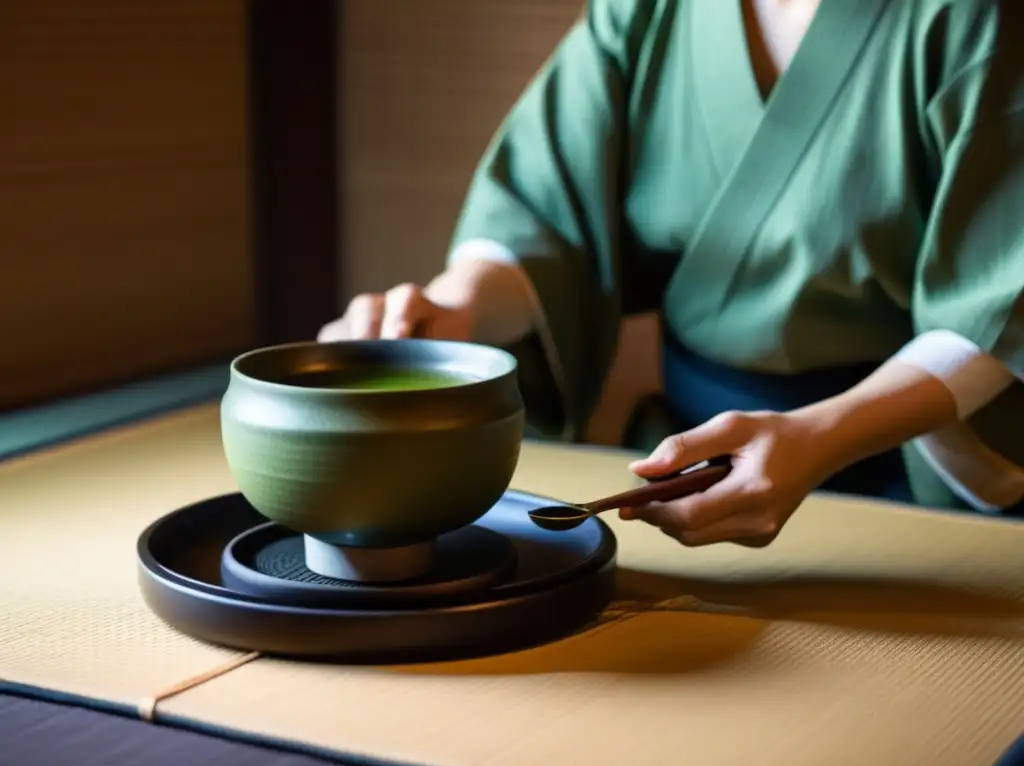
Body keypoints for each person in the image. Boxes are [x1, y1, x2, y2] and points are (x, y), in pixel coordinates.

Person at [319, 0, 1024, 547]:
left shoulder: (975, 15)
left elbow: (1000, 287)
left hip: (904, 467)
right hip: (683, 462)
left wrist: (824, 435)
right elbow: (547, 210)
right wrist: (453, 315)